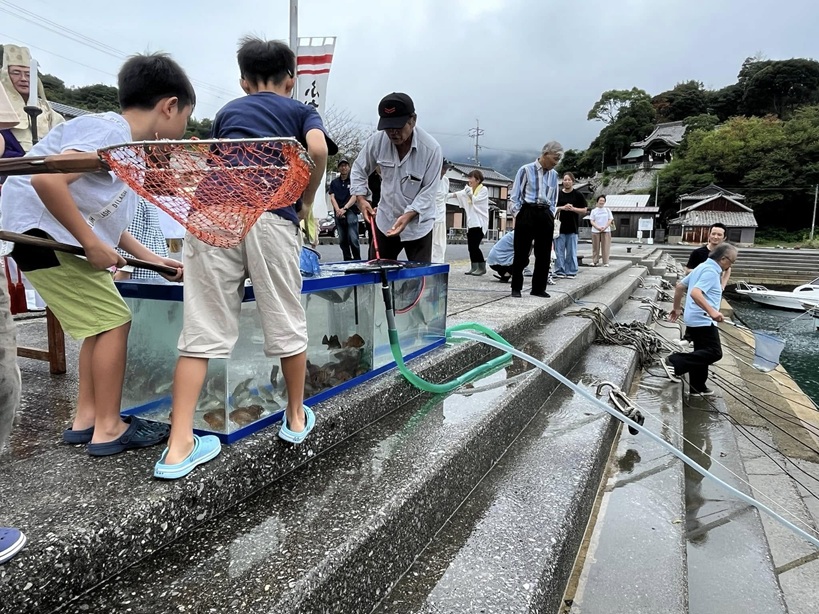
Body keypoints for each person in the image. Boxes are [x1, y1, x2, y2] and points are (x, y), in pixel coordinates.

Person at [154, 37, 331, 480]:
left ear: (243, 81)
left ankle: (178, 447)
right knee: (286, 317)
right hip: (270, 213)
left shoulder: (231, 110)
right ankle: (293, 417)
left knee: (202, 328)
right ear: (291, 79)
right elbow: (319, 150)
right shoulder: (300, 111)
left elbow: (219, 160)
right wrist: (305, 201)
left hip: (212, 212)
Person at [0, 53, 191, 457]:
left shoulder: (124, 150)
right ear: (169, 105)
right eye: (184, 120)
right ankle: (108, 426)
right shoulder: (108, 131)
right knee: (115, 321)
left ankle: (86, 419)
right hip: (44, 237)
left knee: (99, 326)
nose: (179, 132)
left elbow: (108, 224)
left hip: (47, 237)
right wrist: (89, 243)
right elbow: (46, 180)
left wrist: (155, 261)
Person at [351, 93, 442, 263]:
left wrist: (408, 214)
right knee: (376, 273)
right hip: (386, 220)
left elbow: (429, 192)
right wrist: (361, 198)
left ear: (412, 120)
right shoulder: (377, 142)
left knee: (419, 279)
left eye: (398, 127)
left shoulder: (431, 149)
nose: (393, 133)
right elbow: (358, 169)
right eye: (388, 127)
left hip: (418, 225)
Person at [666, 242, 738, 396]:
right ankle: (674, 361)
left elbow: (680, 286)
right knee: (714, 352)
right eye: (732, 262)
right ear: (724, 259)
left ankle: (697, 386)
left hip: (694, 317)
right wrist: (712, 311)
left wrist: (677, 308)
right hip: (703, 318)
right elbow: (696, 293)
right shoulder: (711, 271)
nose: (730, 265)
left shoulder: (702, 266)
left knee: (702, 351)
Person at [508, 141, 563, 298]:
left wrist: (551, 214)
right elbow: (515, 196)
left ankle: (538, 288)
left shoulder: (554, 175)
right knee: (521, 251)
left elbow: (553, 199)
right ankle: (516, 287)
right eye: (555, 158)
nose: (556, 162)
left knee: (544, 253)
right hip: (527, 211)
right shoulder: (525, 170)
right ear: (545, 154)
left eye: (558, 159)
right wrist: (518, 214)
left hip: (545, 213)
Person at [0, 44, 65, 157]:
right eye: (16, 73)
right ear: (6, 74)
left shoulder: (48, 112)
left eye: (28, 74)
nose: (24, 79)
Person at [114, 197, 169, 281]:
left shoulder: (133, 200)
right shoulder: (146, 200)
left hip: (137, 271)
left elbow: (132, 233)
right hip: (152, 267)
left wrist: (125, 270)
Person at [451, 169, 489, 275]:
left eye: (471, 178)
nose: (469, 180)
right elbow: (458, 194)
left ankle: (482, 267)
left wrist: (470, 195)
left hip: (480, 223)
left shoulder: (483, 189)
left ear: (477, 179)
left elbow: (477, 201)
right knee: (470, 247)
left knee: (475, 246)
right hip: (471, 223)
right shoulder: (469, 190)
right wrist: (446, 195)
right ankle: (474, 267)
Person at [553, 172, 587, 279]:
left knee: (571, 251)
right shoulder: (558, 194)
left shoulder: (578, 195)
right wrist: (562, 208)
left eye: (569, 180)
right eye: (565, 180)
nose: (567, 182)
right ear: (562, 181)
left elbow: (584, 210)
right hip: (559, 228)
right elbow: (552, 207)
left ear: (573, 181)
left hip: (572, 227)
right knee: (559, 251)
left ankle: (571, 271)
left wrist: (573, 209)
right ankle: (559, 270)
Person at [329, 158, 360, 260]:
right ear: (338, 168)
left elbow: (355, 195)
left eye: (345, 165)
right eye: (341, 166)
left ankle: (357, 258)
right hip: (338, 212)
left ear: (349, 167)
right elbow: (332, 197)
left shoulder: (353, 180)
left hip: (351, 210)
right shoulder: (334, 182)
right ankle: (347, 259)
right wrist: (338, 210)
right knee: (342, 239)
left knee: (353, 237)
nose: (344, 168)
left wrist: (345, 208)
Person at [685, 223, 731, 288]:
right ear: (709, 235)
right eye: (713, 234)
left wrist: (722, 286)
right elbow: (687, 271)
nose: (715, 237)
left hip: (714, 290)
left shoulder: (725, 254)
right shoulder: (697, 252)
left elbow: (728, 270)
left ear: (724, 238)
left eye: (719, 235)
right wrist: (705, 271)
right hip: (697, 289)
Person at [431, 158, 450, 264]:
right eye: (443, 168)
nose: (444, 171)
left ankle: (438, 266)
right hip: (429, 218)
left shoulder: (446, 180)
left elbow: (445, 198)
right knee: (430, 246)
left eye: (446, 169)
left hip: (441, 217)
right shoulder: (429, 178)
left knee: (440, 245)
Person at [589, 195, 613, 266]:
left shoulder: (607, 210)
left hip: (606, 230)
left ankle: (606, 262)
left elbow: (610, 219)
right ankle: (594, 261)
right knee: (595, 247)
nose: (602, 202)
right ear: (597, 201)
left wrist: (605, 227)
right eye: (600, 200)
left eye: (603, 201)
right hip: (595, 230)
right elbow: (592, 221)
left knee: (605, 246)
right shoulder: (594, 211)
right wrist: (598, 227)